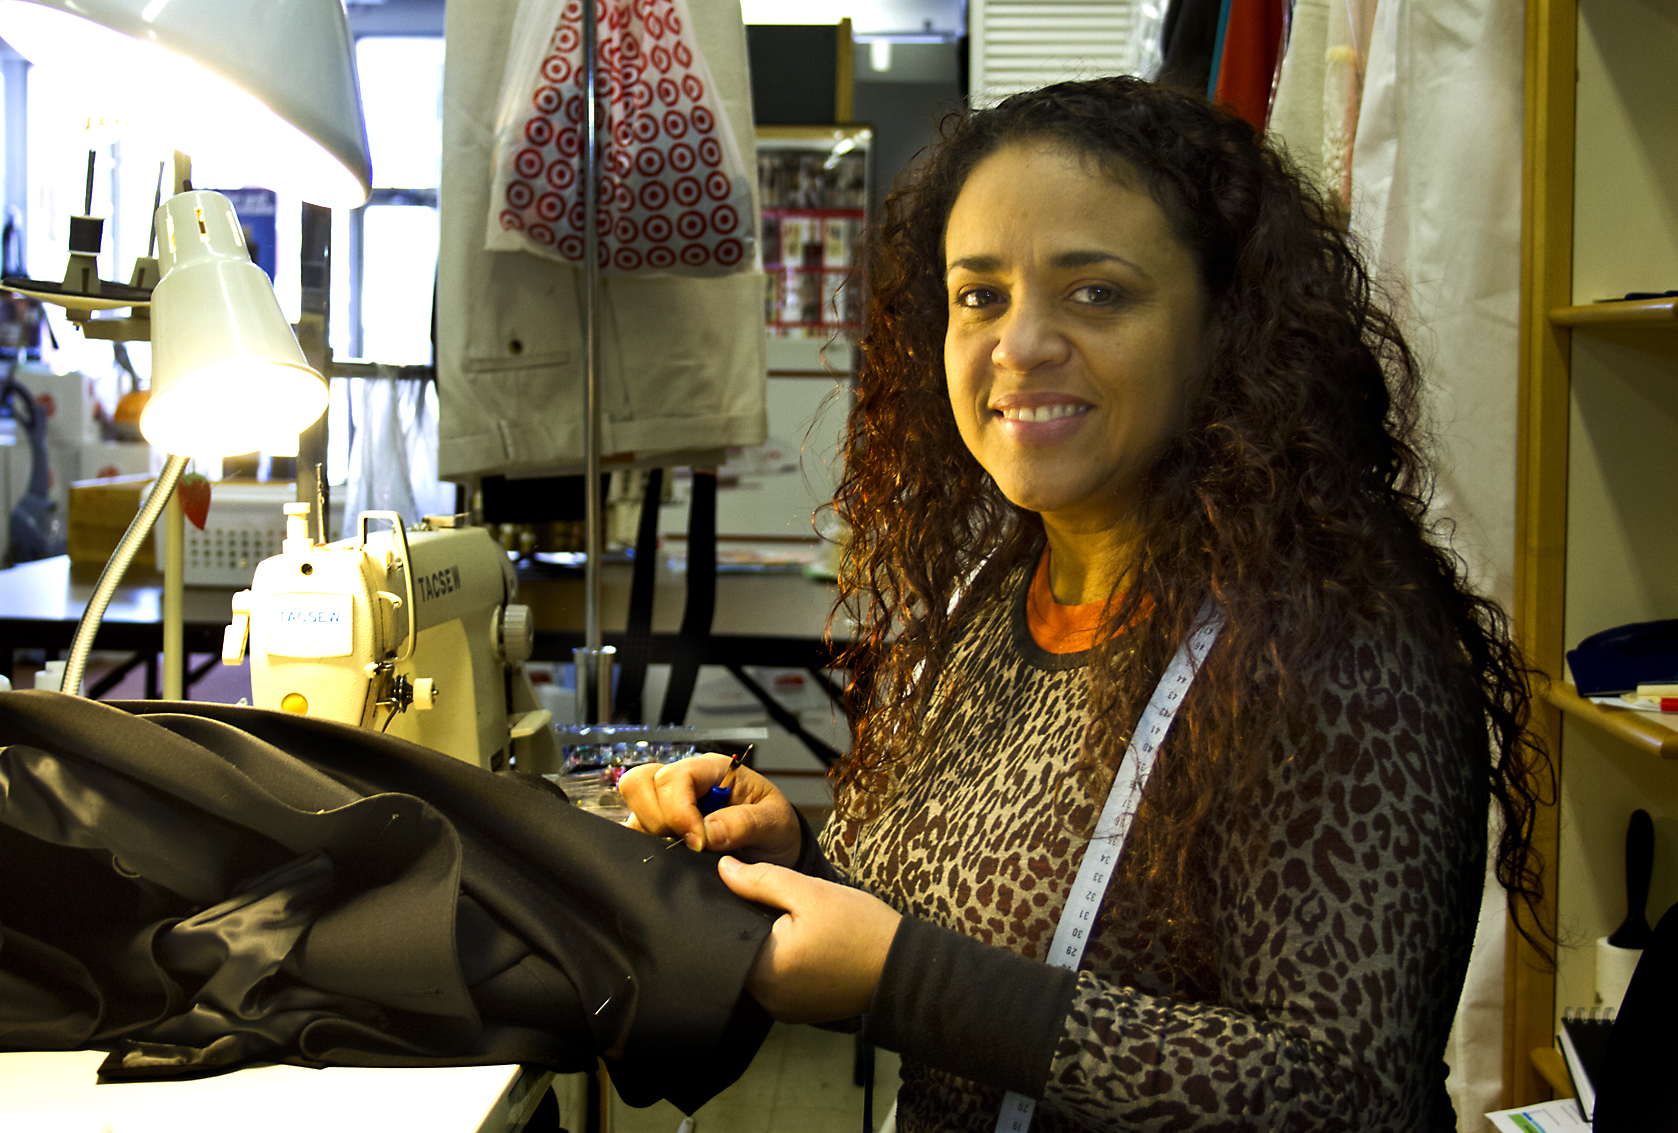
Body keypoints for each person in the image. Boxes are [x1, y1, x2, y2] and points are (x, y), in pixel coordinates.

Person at [621, 76, 1547, 1131]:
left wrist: (899, 982)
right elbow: (975, 928)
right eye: (980, 296)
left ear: (1226, 325)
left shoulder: (1333, 642)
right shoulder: (999, 601)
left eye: (1096, 292)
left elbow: (1341, 1095)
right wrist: (792, 856)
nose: (1019, 345)